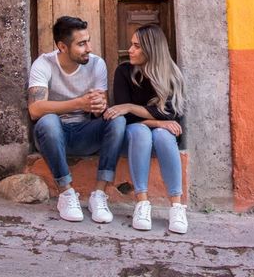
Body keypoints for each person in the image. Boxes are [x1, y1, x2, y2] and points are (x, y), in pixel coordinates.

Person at [28, 16, 126, 223]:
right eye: (81, 44)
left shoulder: (97, 64)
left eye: (88, 41)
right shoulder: (43, 64)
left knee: (117, 121)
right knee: (48, 121)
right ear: (62, 46)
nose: (89, 48)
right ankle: (66, 193)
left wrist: (99, 107)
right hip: (53, 136)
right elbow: (35, 110)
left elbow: (100, 107)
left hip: (85, 134)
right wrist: (79, 103)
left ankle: (99, 194)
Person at [103, 24, 188, 234]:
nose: (130, 50)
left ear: (151, 50)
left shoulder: (171, 75)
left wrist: (133, 107)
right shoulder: (123, 71)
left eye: (137, 46)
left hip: (161, 139)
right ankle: (142, 202)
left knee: (163, 134)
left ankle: (177, 207)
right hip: (134, 138)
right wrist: (155, 120)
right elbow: (127, 118)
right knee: (142, 132)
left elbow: (171, 117)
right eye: (131, 45)